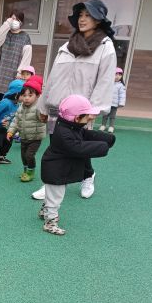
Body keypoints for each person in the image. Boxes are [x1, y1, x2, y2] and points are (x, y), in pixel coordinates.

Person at [32, 0, 117, 201]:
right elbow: (53, 78)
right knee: (56, 148)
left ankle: (88, 175)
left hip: (80, 111)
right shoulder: (67, 46)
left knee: (79, 148)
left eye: (88, 15)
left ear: (98, 20)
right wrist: (43, 106)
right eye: (80, 15)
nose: (82, 19)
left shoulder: (105, 47)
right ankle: (53, 183)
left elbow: (105, 82)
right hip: (57, 108)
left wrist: (93, 110)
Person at [39, 95, 116, 235]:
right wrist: (103, 147)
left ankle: (45, 211)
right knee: (55, 198)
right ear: (76, 118)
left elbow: (84, 134)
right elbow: (78, 148)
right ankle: (50, 223)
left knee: (53, 195)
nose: (90, 117)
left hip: (59, 168)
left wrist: (107, 139)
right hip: (55, 170)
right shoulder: (64, 134)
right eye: (87, 116)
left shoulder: (69, 125)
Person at [6, 75, 47, 182]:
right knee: (23, 156)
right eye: (24, 95)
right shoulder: (21, 107)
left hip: (35, 137)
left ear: (37, 96)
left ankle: (30, 172)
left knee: (29, 155)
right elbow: (16, 120)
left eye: (30, 95)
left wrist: (44, 116)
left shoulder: (38, 107)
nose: (27, 98)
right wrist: (11, 131)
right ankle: (25, 170)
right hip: (24, 136)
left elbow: (43, 118)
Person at [0, 11, 32, 108]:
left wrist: (20, 72)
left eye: (17, 19)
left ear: (21, 22)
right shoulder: (4, 34)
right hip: (0, 77)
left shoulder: (25, 36)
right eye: (12, 18)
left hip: (15, 77)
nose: (14, 21)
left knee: (11, 106)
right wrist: (7, 24)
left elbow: (27, 56)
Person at [100, 67, 126, 133]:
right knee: (105, 115)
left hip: (114, 104)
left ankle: (111, 127)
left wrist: (121, 103)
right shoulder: (108, 84)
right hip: (107, 103)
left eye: (120, 75)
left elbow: (122, 95)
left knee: (112, 116)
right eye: (116, 74)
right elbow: (104, 92)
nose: (117, 76)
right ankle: (103, 125)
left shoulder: (121, 86)